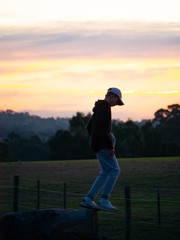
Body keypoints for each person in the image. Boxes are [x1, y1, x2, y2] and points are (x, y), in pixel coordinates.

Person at [80, 87, 124, 211]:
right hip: (104, 146)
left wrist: (95, 139)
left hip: (97, 145)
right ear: (113, 96)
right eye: (117, 101)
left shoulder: (99, 108)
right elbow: (103, 129)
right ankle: (104, 200)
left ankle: (88, 199)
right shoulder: (105, 108)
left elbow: (89, 127)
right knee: (115, 170)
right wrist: (110, 146)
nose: (116, 104)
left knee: (105, 172)